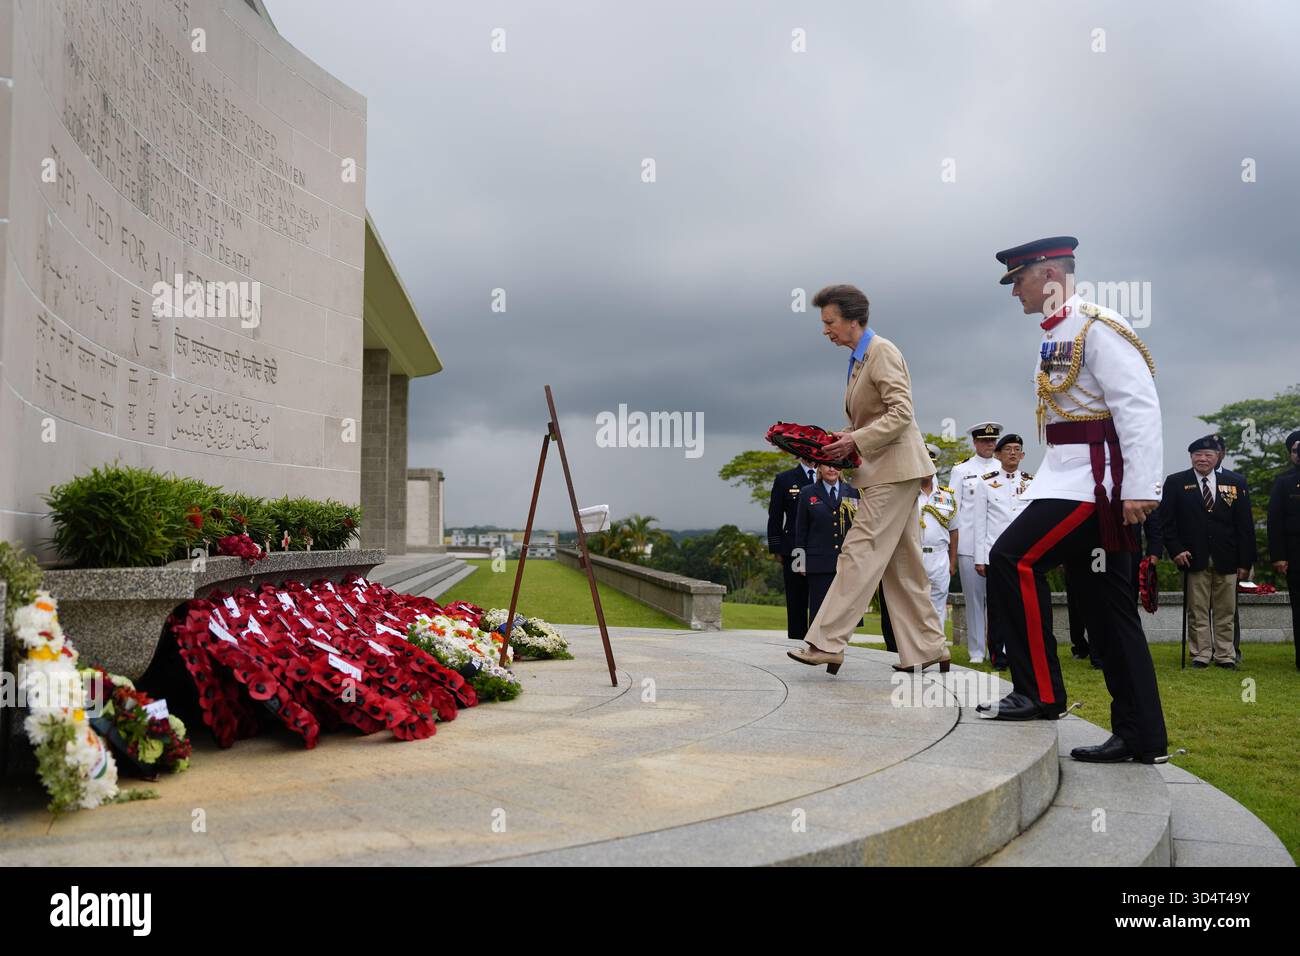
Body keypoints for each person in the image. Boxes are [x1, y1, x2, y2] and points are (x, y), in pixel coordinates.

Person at [977, 236, 1169, 767]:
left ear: (1048, 274)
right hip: (1068, 479)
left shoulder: (1095, 325)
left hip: (1095, 486)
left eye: (1019, 280)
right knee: (1109, 613)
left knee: (1010, 558)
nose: (1015, 291)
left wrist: (1141, 487)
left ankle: (1039, 691)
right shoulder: (1057, 332)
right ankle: (1141, 734)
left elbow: (1137, 404)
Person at [787, 284, 950, 674]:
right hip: (888, 469)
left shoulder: (882, 352)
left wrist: (854, 441)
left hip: (894, 471)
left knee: (858, 551)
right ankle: (930, 648)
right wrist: (832, 441)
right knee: (902, 565)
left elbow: (901, 414)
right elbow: (871, 419)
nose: (825, 329)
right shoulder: (859, 359)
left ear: (852, 318)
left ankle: (827, 642)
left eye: (829, 321)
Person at [1161, 436, 1256, 669]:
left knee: (1226, 610)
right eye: (1198, 455)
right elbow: (1166, 523)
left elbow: (1245, 526)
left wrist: (1245, 562)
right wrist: (1176, 551)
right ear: (1191, 457)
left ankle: (1225, 654)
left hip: (1228, 557)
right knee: (1197, 609)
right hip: (1193, 557)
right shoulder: (1175, 482)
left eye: (1208, 455)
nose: (1202, 459)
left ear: (1217, 457)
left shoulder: (1235, 482)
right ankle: (1201, 654)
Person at [973, 433, 1032, 669]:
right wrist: (980, 559)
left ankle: (1020, 652)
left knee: (1021, 605)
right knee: (997, 608)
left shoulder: (1030, 482)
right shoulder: (985, 482)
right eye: (1008, 449)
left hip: (1022, 555)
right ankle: (999, 654)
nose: (1013, 453)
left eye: (1017, 449)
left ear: (1023, 454)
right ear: (998, 455)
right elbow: (979, 523)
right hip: (994, 554)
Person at [950, 422, 1002, 663]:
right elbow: (953, 510)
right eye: (984, 441)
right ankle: (976, 651)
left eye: (993, 440)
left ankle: (1000, 648)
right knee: (974, 600)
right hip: (970, 544)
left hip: (998, 543)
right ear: (975, 442)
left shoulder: (1003, 468)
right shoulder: (961, 470)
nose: (989, 445)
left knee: (1001, 601)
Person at [794, 463, 861, 624]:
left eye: (836, 465)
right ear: (819, 468)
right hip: (818, 561)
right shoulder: (807, 492)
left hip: (847, 561)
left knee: (844, 609)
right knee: (819, 609)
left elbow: (859, 527)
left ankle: (838, 646)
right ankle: (816, 646)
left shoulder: (853, 491)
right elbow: (801, 529)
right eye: (827, 465)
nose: (832, 469)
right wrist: (799, 562)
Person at [768, 456, 818, 639]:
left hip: (820, 547)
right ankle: (796, 639)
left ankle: (817, 640)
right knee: (796, 597)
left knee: (819, 596)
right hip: (793, 547)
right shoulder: (785, 479)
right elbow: (775, 515)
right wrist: (776, 548)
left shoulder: (828, 476)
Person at [1266, 429, 1300, 670]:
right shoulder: (1283, 482)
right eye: (1297, 450)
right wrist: (1278, 557)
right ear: (1291, 455)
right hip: (1295, 553)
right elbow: (1274, 522)